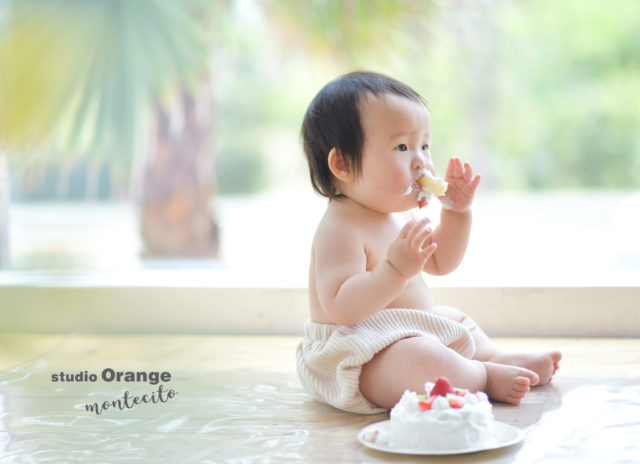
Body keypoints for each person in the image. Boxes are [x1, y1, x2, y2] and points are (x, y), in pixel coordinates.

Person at [296, 71, 562, 414]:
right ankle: (481, 376)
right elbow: (341, 307)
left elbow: (440, 263)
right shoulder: (340, 226)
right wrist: (393, 269)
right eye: (402, 147)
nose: (421, 161)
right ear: (343, 164)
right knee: (421, 357)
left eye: (425, 145)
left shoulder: (395, 213)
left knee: (452, 318)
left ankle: (491, 355)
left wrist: (456, 213)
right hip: (357, 354)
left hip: (402, 333)